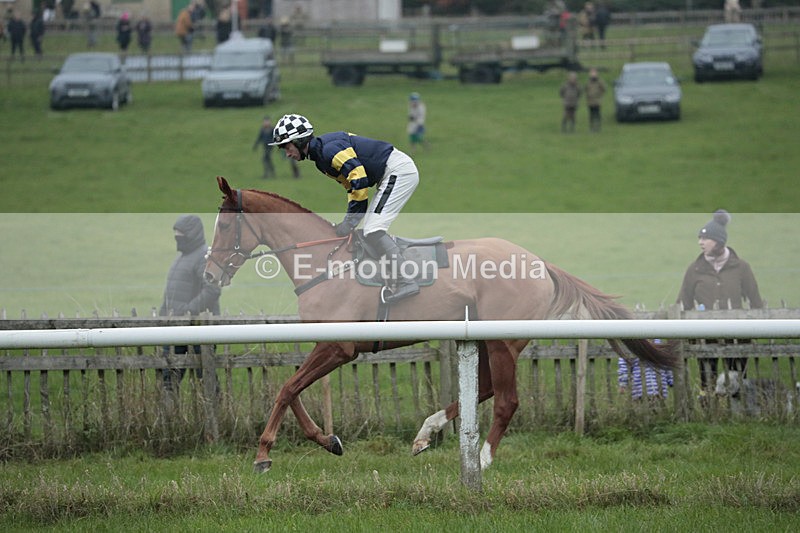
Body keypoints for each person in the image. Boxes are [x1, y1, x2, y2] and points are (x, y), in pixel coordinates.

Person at [270, 114, 420, 304]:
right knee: (370, 229)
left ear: (299, 141)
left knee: (373, 229)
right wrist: (350, 220)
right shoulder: (320, 159)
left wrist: (350, 221)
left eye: (287, 146)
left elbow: (359, 179)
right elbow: (352, 187)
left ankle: (406, 280)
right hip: (389, 174)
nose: (287, 153)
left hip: (398, 172)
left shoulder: (329, 151)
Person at [676, 209, 763, 400]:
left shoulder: (741, 267)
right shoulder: (695, 269)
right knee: (707, 381)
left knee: (737, 379)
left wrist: (759, 327)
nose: (700, 242)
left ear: (719, 241)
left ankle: (739, 415)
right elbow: (683, 302)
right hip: (705, 336)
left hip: (738, 335)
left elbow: (755, 300)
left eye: (705, 239)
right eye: (699, 238)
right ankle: (710, 414)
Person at [159, 215, 221, 391]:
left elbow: (212, 290)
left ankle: (213, 413)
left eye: (181, 233)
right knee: (169, 376)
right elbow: (173, 292)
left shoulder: (203, 257)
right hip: (178, 326)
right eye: (176, 233)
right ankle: (169, 415)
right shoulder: (183, 257)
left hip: (198, 327)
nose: (177, 236)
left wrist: (188, 311)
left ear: (191, 234)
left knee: (205, 376)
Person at [584, 68, 606, 133]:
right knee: (591, 115)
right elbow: (586, 89)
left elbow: (604, 89)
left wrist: (600, 95)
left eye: (594, 73)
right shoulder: (588, 82)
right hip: (590, 102)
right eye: (591, 73)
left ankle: (598, 127)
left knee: (597, 115)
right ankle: (592, 128)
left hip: (597, 102)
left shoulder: (600, 81)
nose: (593, 75)